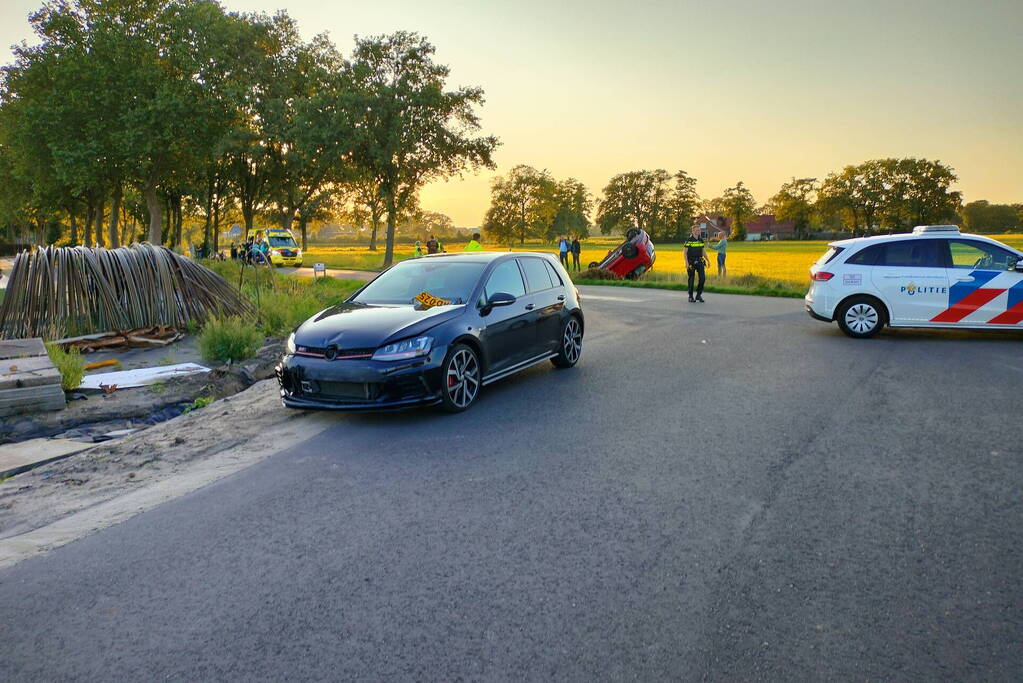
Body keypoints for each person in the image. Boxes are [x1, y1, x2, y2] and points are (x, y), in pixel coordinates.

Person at [683, 224, 707, 303]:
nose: (698, 231)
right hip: (690, 262)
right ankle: (690, 296)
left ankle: (698, 295)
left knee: (702, 278)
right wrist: (686, 262)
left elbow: (703, 251)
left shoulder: (701, 240)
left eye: (699, 230)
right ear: (692, 231)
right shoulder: (689, 240)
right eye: (696, 230)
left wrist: (708, 260)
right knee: (691, 279)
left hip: (699, 261)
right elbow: (685, 253)